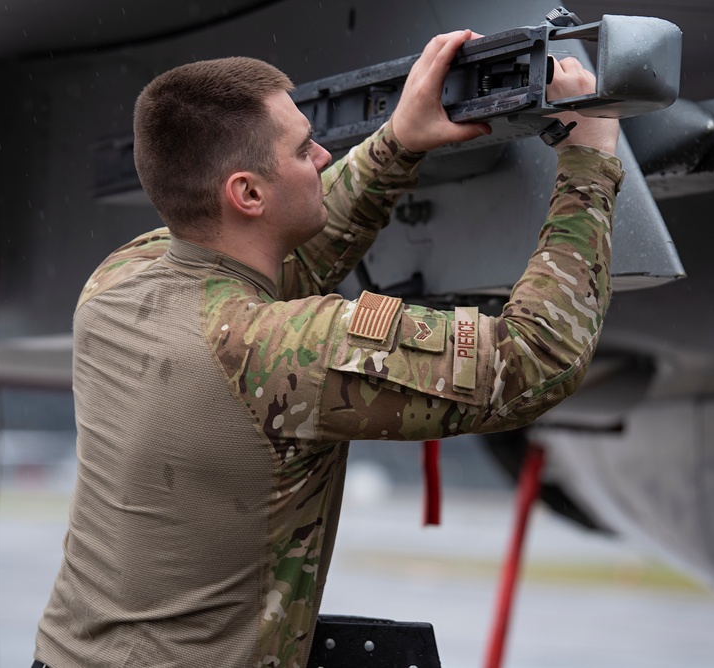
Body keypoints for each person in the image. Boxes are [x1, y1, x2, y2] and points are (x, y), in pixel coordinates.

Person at [33, 29, 622, 668]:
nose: (321, 156)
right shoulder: (280, 354)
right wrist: (589, 158)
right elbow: (537, 357)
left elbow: (283, 257)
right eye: (301, 149)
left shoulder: (119, 280)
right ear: (247, 194)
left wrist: (399, 141)